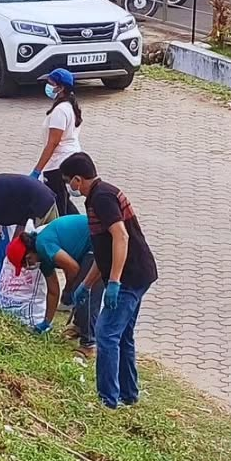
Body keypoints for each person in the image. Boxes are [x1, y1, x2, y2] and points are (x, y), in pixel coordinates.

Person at [59, 152, 158, 409]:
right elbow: (103, 252)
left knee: (106, 334)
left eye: (70, 181)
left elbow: (120, 237)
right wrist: (87, 284)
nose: (71, 187)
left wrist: (114, 282)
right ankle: (128, 394)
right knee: (122, 334)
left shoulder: (101, 198)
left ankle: (107, 400)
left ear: (78, 180)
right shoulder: (99, 195)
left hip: (130, 276)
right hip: (137, 272)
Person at [4, 215, 99, 351]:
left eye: (26, 263)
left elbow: (73, 268)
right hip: (85, 247)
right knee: (79, 291)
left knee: (86, 292)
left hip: (97, 240)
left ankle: (88, 344)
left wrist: (68, 289)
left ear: (29, 253)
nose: (28, 267)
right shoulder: (42, 260)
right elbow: (53, 292)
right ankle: (79, 326)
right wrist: (46, 322)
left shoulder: (43, 245)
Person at [30, 68, 83, 216]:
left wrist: (37, 170)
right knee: (64, 200)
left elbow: (53, 143)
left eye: (51, 83)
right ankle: (81, 225)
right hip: (68, 157)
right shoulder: (70, 107)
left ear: (60, 88)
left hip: (58, 164)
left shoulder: (60, 111)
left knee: (58, 205)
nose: (48, 86)